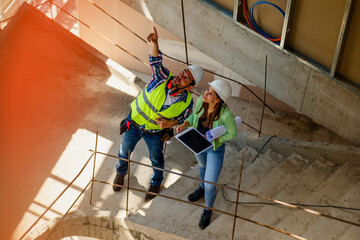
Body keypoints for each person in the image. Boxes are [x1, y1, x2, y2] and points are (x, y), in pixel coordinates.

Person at [113, 26, 204, 202]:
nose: (181, 76)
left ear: (190, 86)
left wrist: (169, 125)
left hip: (155, 134)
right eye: (183, 72)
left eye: (186, 78)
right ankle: (120, 173)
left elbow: (183, 119)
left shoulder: (187, 103)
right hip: (134, 124)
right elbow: (155, 60)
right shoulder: (162, 78)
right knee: (124, 151)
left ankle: (155, 184)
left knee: (156, 159)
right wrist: (154, 44)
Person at [176, 79, 237, 229]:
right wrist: (185, 124)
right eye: (207, 89)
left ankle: (208, 210)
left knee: (211, 186)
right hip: (198, 144)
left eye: (210, 93)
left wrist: (218, 137)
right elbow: (193, 117)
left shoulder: (226, 115)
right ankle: (201, 188)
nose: (205, 93)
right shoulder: (200, 103)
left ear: (217, 100)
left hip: (215, 149)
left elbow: (233, 133)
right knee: (202, 166)